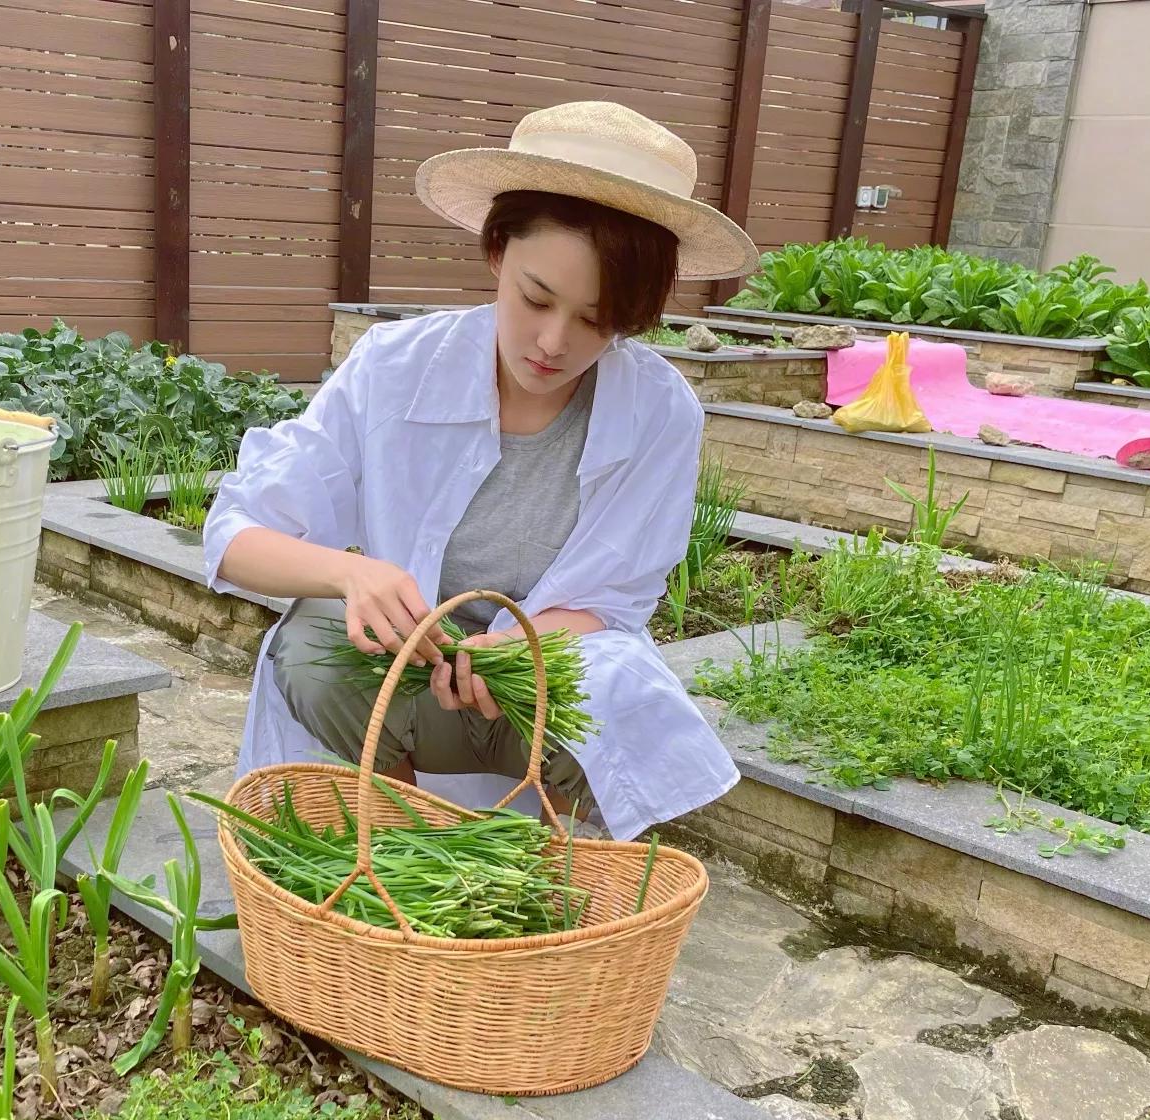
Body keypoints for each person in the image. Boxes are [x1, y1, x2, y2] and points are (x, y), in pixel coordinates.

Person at [202, 100, 753, 841]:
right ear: (497, 253)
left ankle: (548, 867)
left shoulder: (657, 411)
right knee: (313, 646)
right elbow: (236, 534)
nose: (553, 342)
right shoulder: (396, 368)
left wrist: (526, 647)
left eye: (597, 320)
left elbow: (614, 602)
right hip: (402, 688)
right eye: (535, 298)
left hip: (524, 695)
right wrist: (347, 575)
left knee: (617, 691)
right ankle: (403, 843)